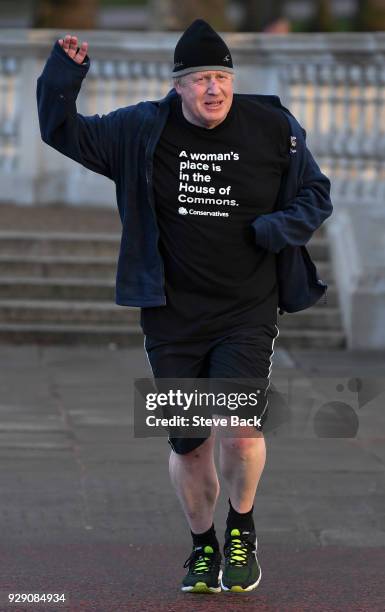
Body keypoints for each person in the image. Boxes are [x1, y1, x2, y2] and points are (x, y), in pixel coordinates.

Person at [36, 19, 332, 594]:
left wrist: (277, 228)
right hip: (171, 314)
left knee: (239, 428)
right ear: (178, 85)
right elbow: (62, 131)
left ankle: (241, 527)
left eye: (222, 76)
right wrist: (63, 75)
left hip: (247, 310)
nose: (214, 89)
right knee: (188, 441)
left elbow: (315, 193)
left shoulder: (272, 126)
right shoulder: (140, 130)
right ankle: (203, 545)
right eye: (200, 79)